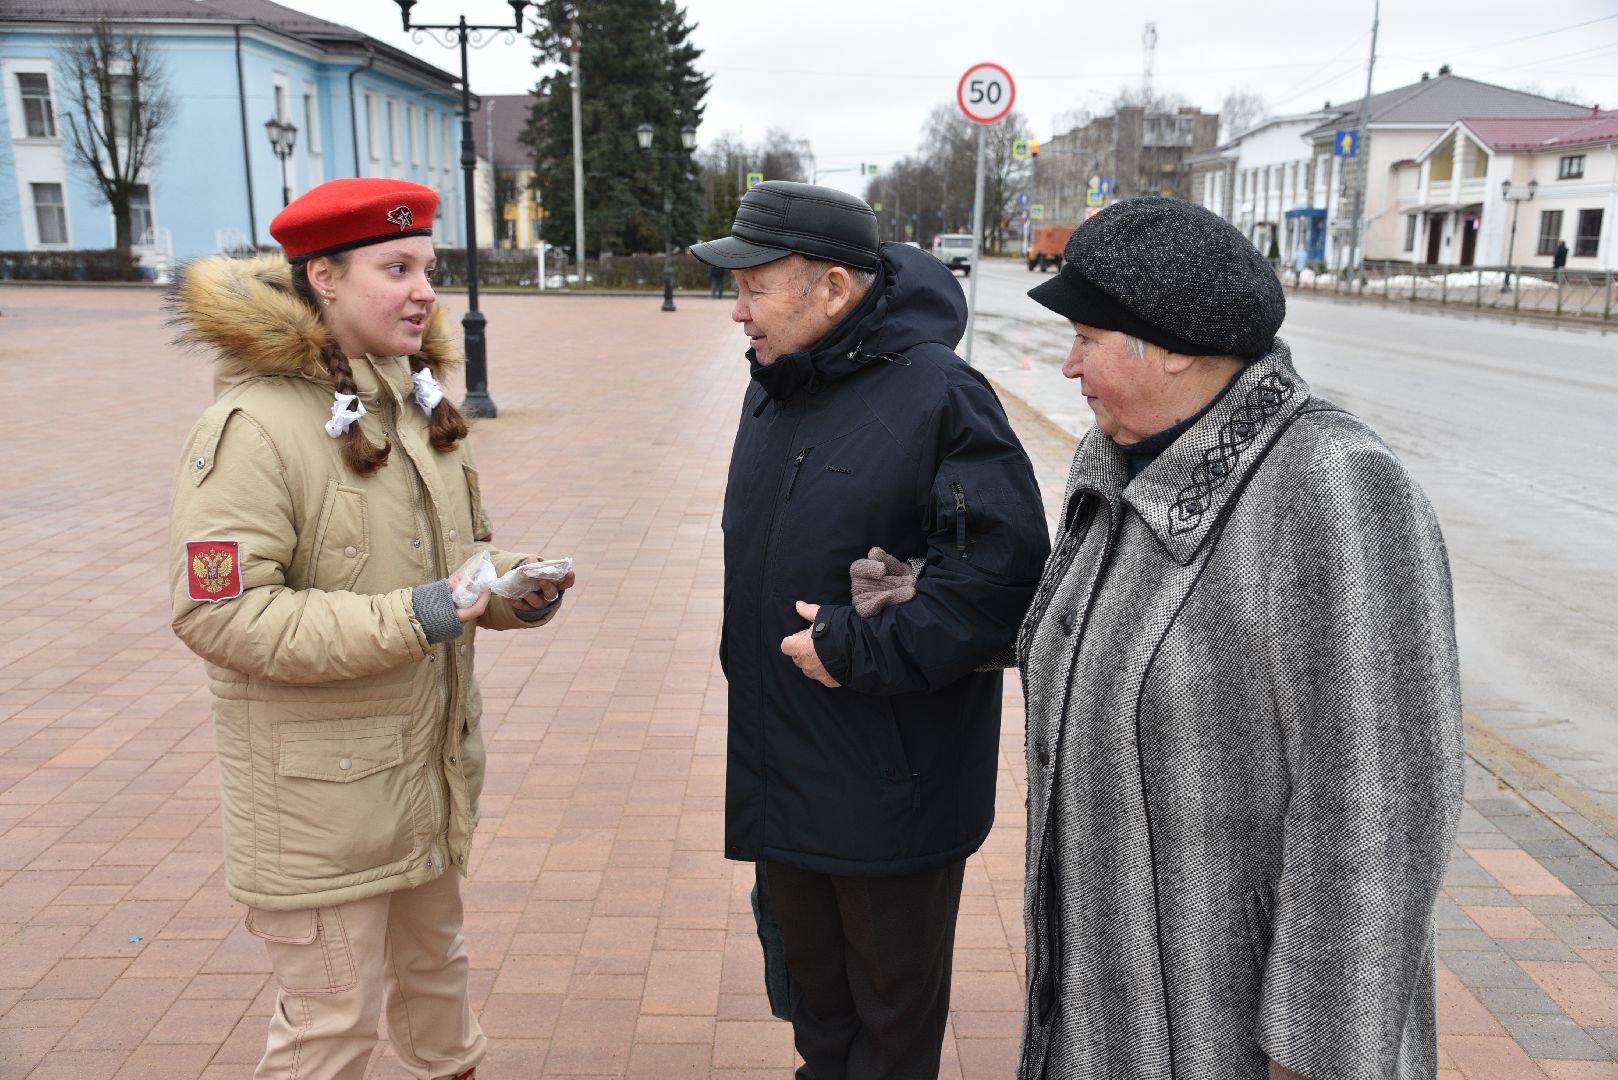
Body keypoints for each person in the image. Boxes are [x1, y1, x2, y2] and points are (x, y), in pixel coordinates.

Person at [1014, 197, 1464, 1080]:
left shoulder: (1332, 489)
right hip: (1103, 1007)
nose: (1068, 367)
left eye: (1087, 339)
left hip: (1234, 1034)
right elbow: (1103, 633)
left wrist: (1317, 1051)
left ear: (1175, 345)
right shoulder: (1118, 457)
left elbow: (1382, 807)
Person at [168, 178, 574, 1080]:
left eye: (427, 265)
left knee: (438, 993)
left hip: (420, 778)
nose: (426, 289)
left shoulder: (413, 399)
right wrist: (422, 614)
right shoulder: (253, 427)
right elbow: (218, 611)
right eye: (397, 268)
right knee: (330, 1032)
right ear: (324, 280)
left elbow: (456, 565)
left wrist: (508, 593)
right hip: (321, 803)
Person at [692, 182, 1050, 1079]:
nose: (737, 312)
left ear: (834, 291)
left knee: (888, 1038)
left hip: (895, 786)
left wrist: (859, 645)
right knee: (819, 1021)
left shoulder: (942, 396)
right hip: (787, 767)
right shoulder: (777, 388)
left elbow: (1000, 589)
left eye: (755, 288)